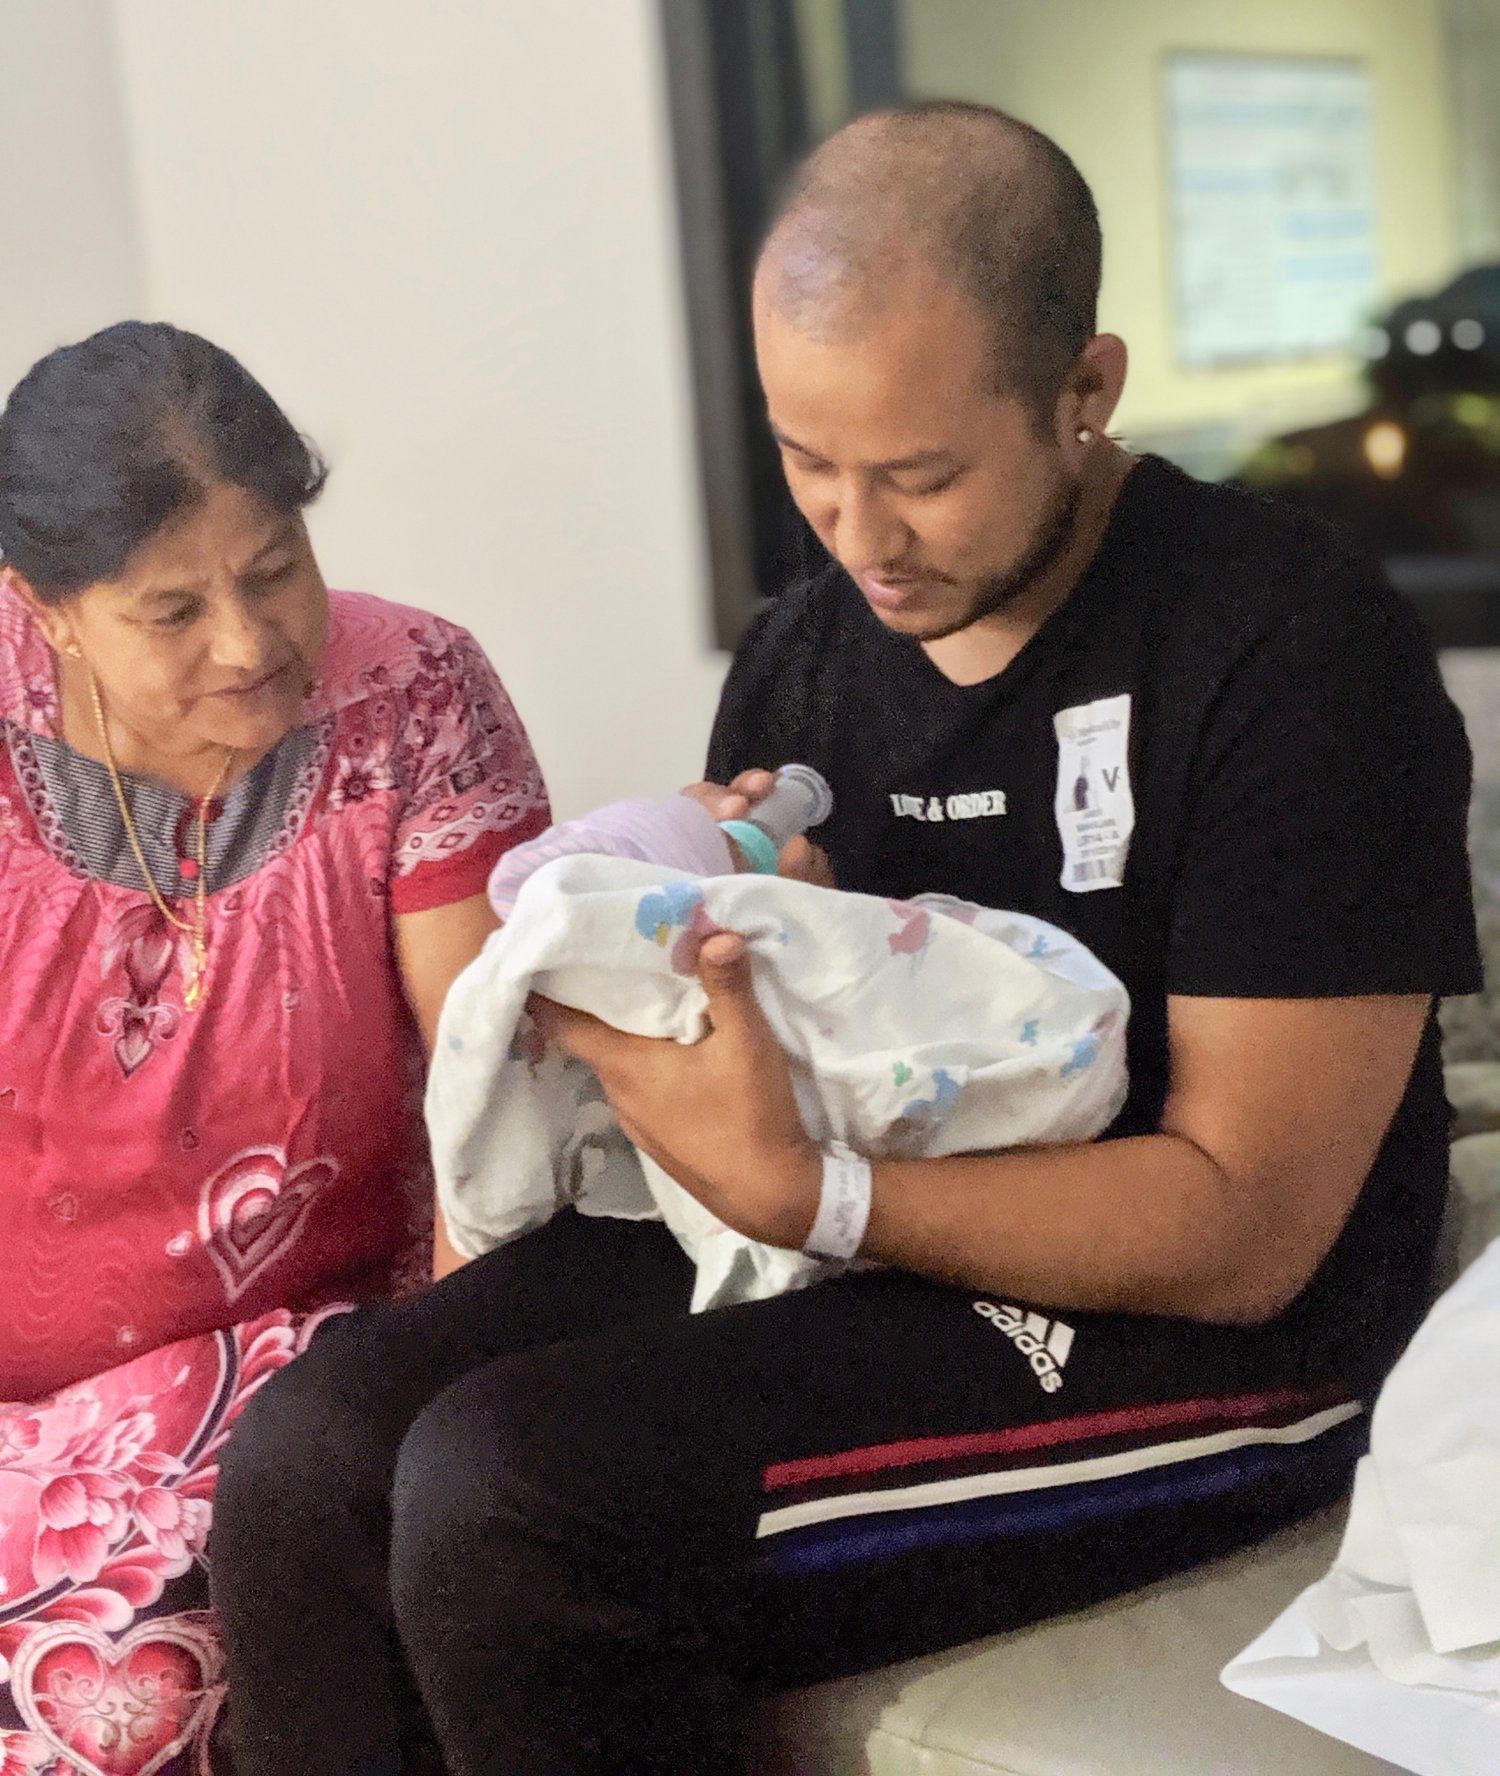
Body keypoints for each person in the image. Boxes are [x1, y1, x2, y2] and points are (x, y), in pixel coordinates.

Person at [209, 102, 1480, 1776]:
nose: (860, 537)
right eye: (808, 464)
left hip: (1238, 1339)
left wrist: (808, 1194)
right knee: (307, 1458)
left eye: (925, 475)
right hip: (852, 1241)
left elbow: (1254, 1232)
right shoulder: (809, 650)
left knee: (520, 1495)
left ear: (1085, 393)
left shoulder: (1295, 652)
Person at [0, 322, 548, 1776]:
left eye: (274, 571)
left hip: (313, 1361)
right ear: (43, 610)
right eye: (170, 612)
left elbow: (498, 1076)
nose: (249, 646)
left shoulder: (412, 688)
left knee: (117, 1701)